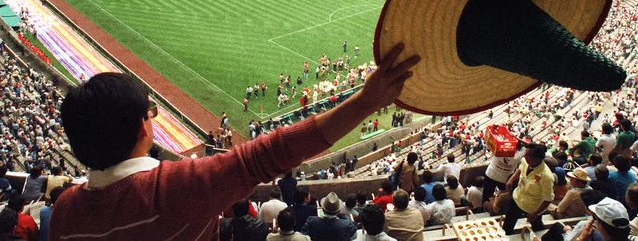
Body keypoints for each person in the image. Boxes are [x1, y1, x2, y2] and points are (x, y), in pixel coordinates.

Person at [49, 44, 419, 240]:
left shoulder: (65, 211)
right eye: (150, 114)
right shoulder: (175, 187)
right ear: (142, 129)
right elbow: (270, 154)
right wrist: (366, 101)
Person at [502, 144, 554, 234]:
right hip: (517, 198)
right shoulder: (525, 161)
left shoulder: (546, 176)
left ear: (537, 159)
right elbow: (520, 169)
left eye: (527, 155)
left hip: (532, 206)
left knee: (537, 228)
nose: (524, 156)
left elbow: (548, 199)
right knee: (508, 224)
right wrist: (511, 180)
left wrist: (536, 213)